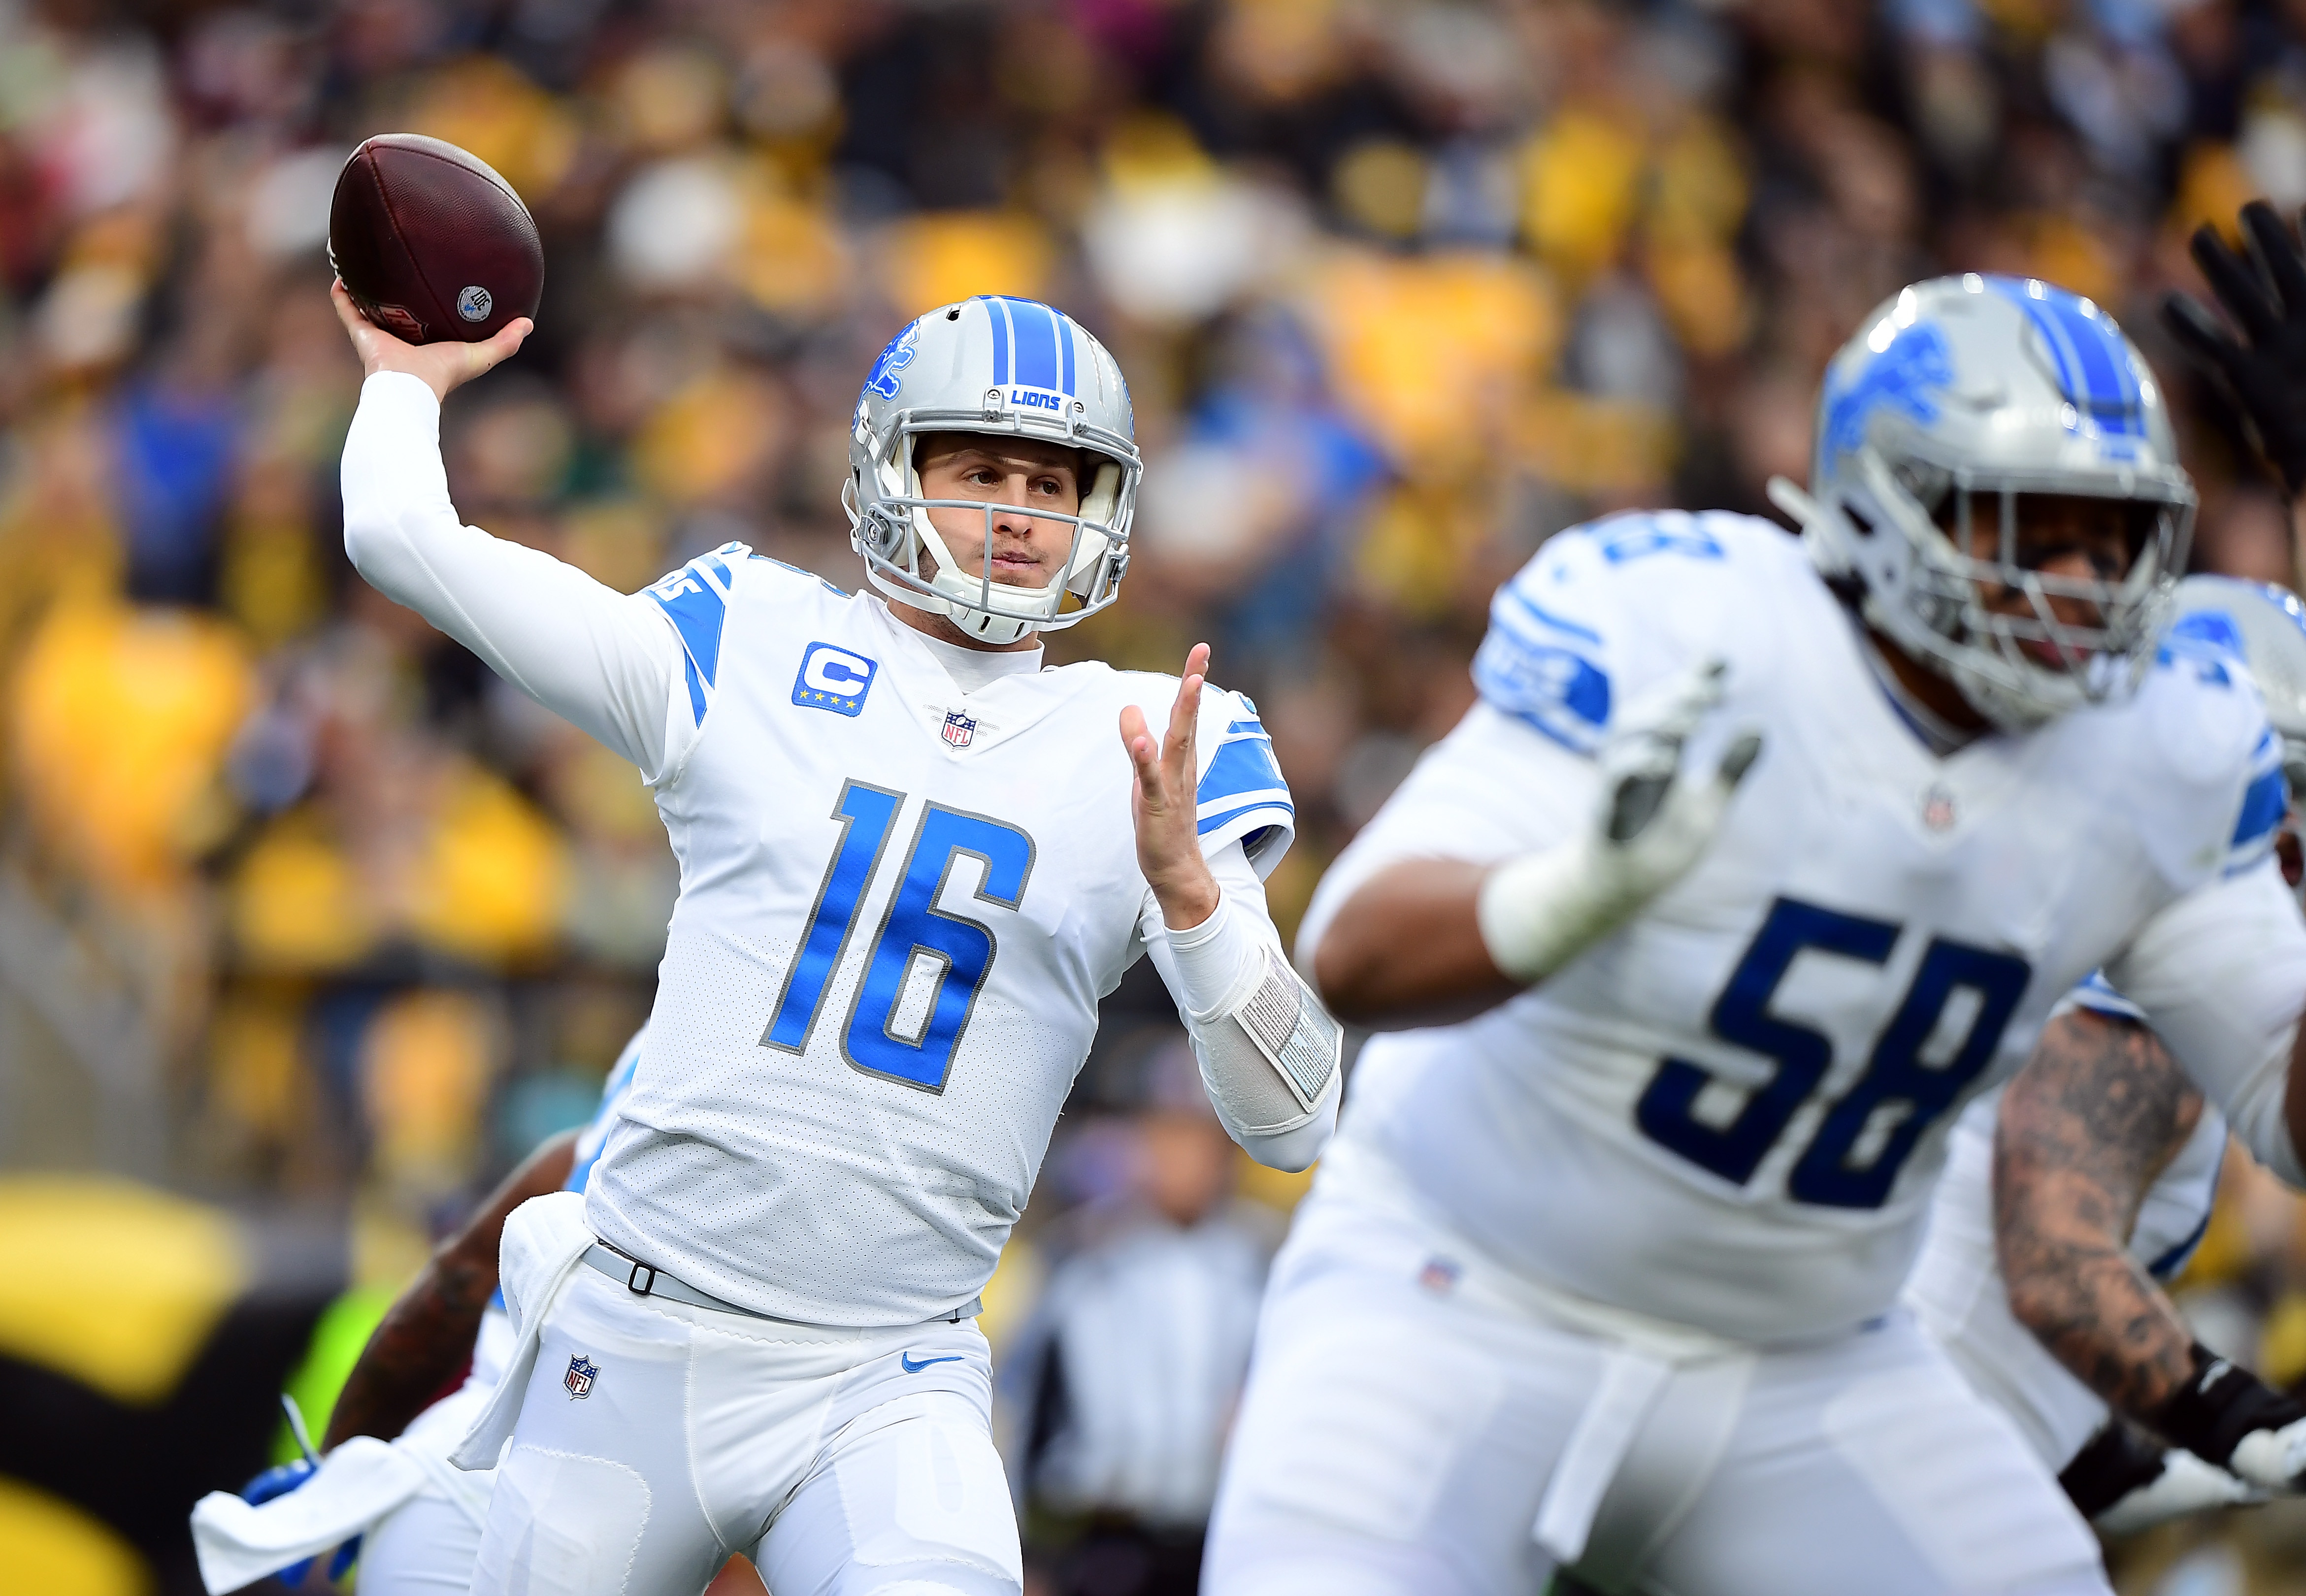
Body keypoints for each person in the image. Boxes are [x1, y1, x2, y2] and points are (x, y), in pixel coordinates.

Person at [1202, 267, 2306, 1596]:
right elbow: (1353, 954)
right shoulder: (1700, 625)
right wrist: (1574, 888)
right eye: (2029, 533)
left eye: (2109, 543)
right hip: (1456, 1293)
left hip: (1812, 1357)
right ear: (1891, 504)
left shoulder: (2160, 753)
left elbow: (2283, 1115)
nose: (2074, 588)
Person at [328, 286, 1342, 1596]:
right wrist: (406, 381)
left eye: (1054, 479)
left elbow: (1294, 1122)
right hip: (642, 1327)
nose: (1018, 512)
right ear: (886, 468)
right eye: (979, 467)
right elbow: (403, 534)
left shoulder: (1152, 737)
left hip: (890, 1371)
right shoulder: (748, 634)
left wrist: (1196, 906)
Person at [1903, 576, 2306, 1534]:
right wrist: (2239, 1420)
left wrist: (2109, 1463)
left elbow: (1962, 1272)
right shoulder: (2148, 995)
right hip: (1886, 1473)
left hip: (1869, 1432)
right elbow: (2050, 1258)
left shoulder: (2041, 918)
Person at [1002, 1039, 1280, 1596]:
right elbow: (1026, 1404)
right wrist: (1024, 1552)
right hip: (1100, 1540)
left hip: (1219, 1539)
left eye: (1199, 1136)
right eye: (1166, 1131)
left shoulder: (1263, 1260)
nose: (1182, 1154)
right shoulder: (1082, 1254)